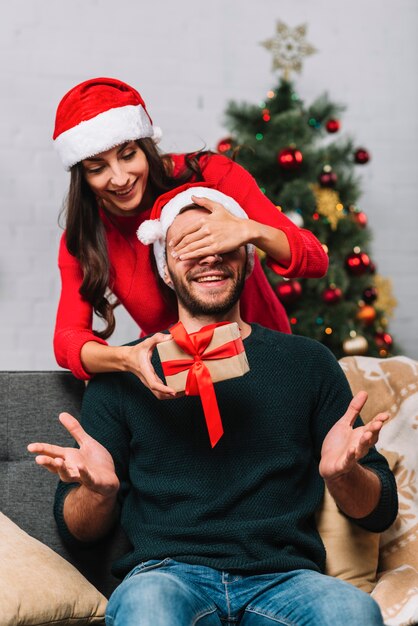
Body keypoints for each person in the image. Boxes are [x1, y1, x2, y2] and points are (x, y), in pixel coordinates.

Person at [29, 185, 397, 625]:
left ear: (248, 256)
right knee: (148, 610)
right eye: (188, 246)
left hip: (283, 579)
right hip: (167, 576)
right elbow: (78, 533)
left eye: (221, 241)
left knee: (353, 612)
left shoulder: (308, 362)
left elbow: (378, 512)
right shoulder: (126, 371)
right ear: (166, 269)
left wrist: (345, 475)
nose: (209, 257)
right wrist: (97, 492)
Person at [52, 76, 329, 392]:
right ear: (81, 176)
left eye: (128, 155)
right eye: (97, 168)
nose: (119, 178)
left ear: (146, 146)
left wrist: (248, 230)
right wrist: (127, 359)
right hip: (184, 386)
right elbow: (67, 341)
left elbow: (315, 259)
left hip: (269, 368)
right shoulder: (86, 239)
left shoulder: (211, 175)